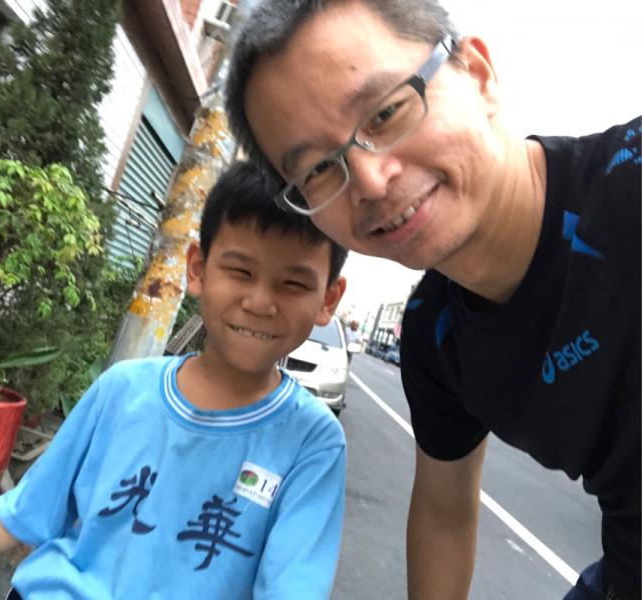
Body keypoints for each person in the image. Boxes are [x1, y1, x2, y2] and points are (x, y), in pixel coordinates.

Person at [224, 1, 640, 599]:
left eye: (386, 112)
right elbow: (444, 513)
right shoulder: (435, 336)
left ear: (478, 75)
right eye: (317, 170)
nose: (370, 181)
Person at [0, 161, 350, 600]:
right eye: (240, 271)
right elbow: (25, 511)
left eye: (293, 283)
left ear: (328, 298)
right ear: (197, 269)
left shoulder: (312, 442)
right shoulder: (123, 390)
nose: (260, 302)